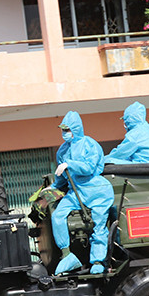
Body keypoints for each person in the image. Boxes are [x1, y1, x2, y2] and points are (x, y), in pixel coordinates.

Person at [51, 111, 114, 275]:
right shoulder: (62, 151)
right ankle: (67, 255)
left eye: (67, 129)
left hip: (96, 190)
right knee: (57, 216)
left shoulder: (89, 144)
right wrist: (52, 188)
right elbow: (62, 178)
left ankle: (98, 260)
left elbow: (88, 168)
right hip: (75, 192)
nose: (65, 133)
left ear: (76, 128)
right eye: (63, 130)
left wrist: (69, 164)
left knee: (99, 223)